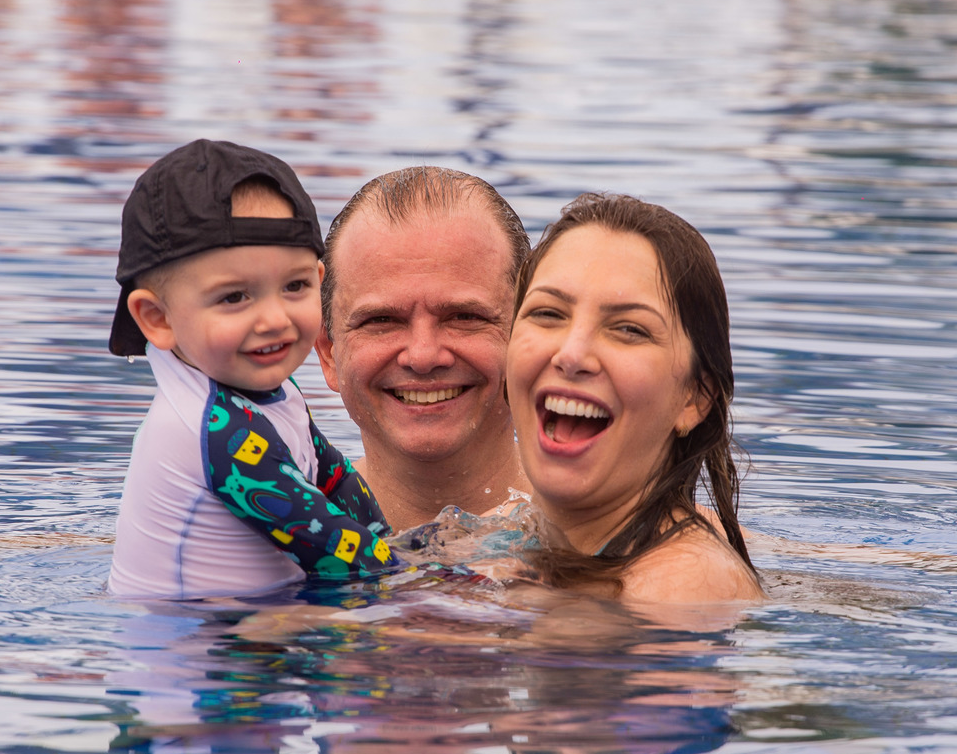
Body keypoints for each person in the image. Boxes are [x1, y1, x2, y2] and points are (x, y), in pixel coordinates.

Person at [106, 140, 397, 600]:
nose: (275, 320)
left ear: (320, 283)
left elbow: (335, 479)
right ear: (158, 319)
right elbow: (339, 553)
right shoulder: (213, 428)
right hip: (198, 636)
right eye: (235, 297)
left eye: (295, 286)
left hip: (249, 619)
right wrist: (440, 579)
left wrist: (398, 543)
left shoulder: (260, 391)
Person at [506, 192, 764, 603]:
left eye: (629, 329)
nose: (571, 355)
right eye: (548, 313)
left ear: (695, 399)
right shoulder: (501, 528)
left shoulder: (683, 586)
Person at [315, 166, 533, 531]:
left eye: (464, 317)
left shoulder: (618, 532)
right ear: (327, 353)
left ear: (528, 336)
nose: (422, 356)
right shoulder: (268, 536)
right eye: (382, 321)